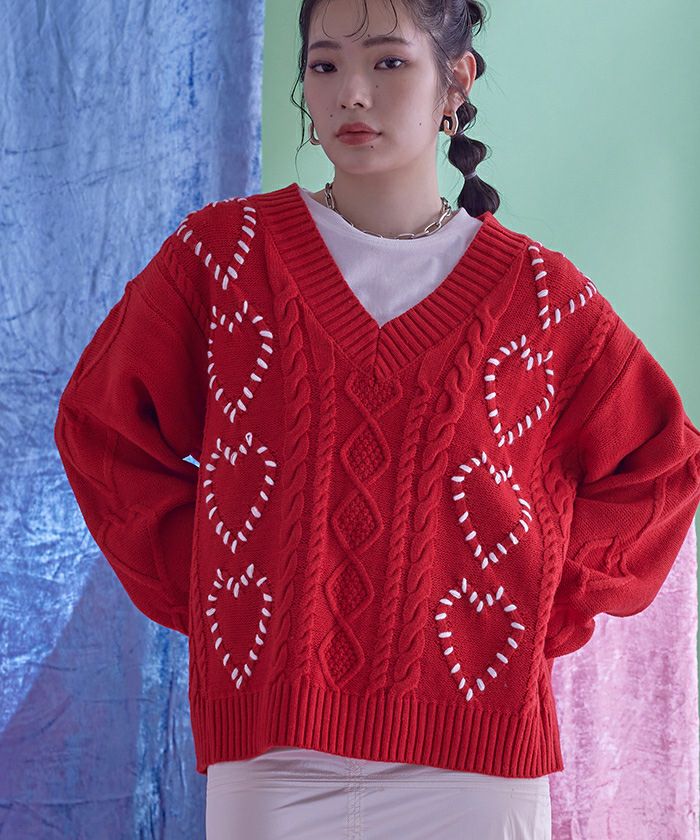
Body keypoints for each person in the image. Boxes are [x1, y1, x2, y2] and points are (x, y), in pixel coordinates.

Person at [53, 0, 700, 838]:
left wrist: (541, 603)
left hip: (475, 769)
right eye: (325, 65)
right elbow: (102, 430)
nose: (351, 93)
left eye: (389, 62)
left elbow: (662, 466)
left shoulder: (540, 297)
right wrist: (221, 582)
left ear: (455, 82)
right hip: (275, 757)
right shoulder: (224, 259)